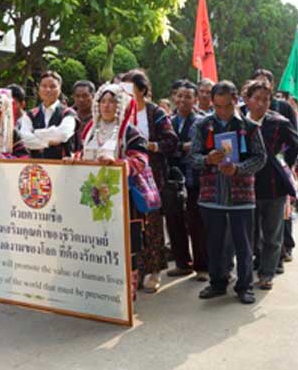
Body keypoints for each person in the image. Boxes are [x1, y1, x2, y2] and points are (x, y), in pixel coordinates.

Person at [190, 80, 266, 304]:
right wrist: (207, 159)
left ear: (236, 101)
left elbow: (261, 158)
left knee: (243, 244)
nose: (222, 111)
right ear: (211, 103)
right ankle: (217, 283)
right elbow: (192, 157)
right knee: (214, 243)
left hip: (241, 195)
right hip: (211, 194)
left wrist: (238, 169)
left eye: (227, 106)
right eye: (218, 106)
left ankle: (245, 286)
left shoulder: (250, 127)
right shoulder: (202, 126)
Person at [78, 83, 148, 299]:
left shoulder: (130, 131)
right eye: (103, 101)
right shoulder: (90, 130)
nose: (107, 106)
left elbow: (141, 159)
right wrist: (74, 160)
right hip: (93, 198)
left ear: (121, 106)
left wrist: (119, 163)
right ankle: (101, 289)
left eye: (112, 102)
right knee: (97, 243)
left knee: (126, 245)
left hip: (123, 199)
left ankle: (126, 294)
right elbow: (82, 154)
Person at [121, 69, 179, 293]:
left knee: (152, 223)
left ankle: (155, 271)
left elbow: (171, 141)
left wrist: (151, 146)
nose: (125, 93)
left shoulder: (155, 112)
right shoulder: (119, 112)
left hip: (150, 177)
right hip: (125, 176)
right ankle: (137, 270)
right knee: (132, 224)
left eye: (130, 88)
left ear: (142, 90)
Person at [245, 81, 298, 290]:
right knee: (249, 233)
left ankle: (267, 273)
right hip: (245, 186)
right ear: (247, 100)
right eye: (256, 98)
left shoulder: (279, 122)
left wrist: (283, 162)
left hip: (274, 185)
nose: (260, 104)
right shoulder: (240, 122)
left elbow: (295, 143)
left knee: (272, 233)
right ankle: (249, 269)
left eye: (265, 100)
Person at [167, 80, 208, 280]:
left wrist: (180, 148)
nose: (182, 100)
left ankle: (202, 267)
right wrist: (182, 147)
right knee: (174, 222)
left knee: (196, 223)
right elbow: (167, 145)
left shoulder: (202, 122)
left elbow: (201, 148)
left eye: (188, 97)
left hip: (196, 179)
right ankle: (182, 263)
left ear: (195, 100)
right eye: (180, 96)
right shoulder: (168, 121)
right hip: (173, 178)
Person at [20, 71, 78, 159]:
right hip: (36, 165)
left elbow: (63, 134)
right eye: (44, 86)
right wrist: (48, 142)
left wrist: (36, 133)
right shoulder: (30, 115)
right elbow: (25, 139)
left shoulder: (68, 113)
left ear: (60, 89)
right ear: (39, 89)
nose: (48, 90)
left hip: (62, 164)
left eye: (52, 86)